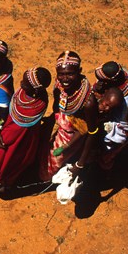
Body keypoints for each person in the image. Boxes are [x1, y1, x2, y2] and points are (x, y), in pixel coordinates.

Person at [0, 67, 51, 192]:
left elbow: (14, 133)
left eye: (25, 83)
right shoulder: (33, 96)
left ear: (35, 89)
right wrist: (0, 126)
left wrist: (0, 134)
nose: (21, 83)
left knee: (4, 162)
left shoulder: (32, 109)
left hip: (16, 141)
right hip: (17, 134)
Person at [38, 51, 99, 183]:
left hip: (71, 137)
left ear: (79, 71)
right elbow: (57, 106)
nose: (65, 79)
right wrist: (50, 124)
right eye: (61, 74)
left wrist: (80, 163)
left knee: (53, 161)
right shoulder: (59, 85)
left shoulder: (88, 101)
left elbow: (92, 132)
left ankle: (46, 180)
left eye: (70, 74)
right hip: (58, 124)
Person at [93, 61, 128, 170]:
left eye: (103, 80)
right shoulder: (117, 76)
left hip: (115, 121)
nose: (100, 82)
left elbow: (122, 118)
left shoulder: (124, 95)